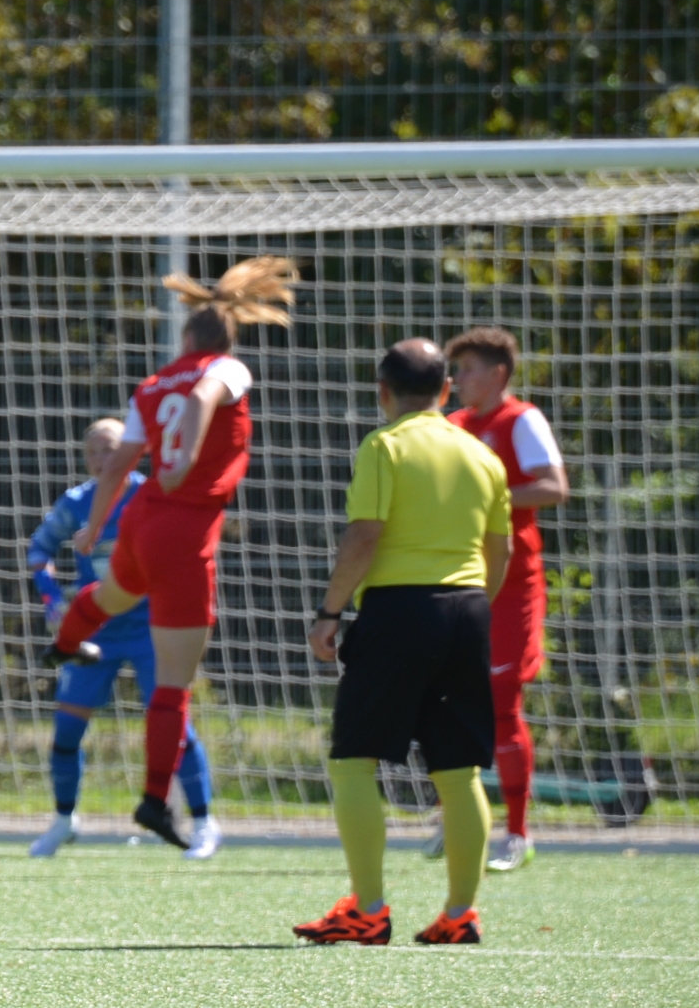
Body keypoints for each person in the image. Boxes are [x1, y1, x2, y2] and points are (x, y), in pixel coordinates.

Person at [49, 256, 299, 850]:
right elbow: (206, 394)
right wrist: (186, 450)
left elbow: (117, 465)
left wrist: (93, 531)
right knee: (173, 689)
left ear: (186, 335)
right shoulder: (227, 370)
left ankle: (63, 643)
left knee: (109, 597)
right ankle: (155, 801)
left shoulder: (151, 384)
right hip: (184, 532)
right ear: (225, 335)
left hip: (138, 522)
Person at [295, 338, 510, 947]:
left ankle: (368, 909)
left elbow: (365, 535)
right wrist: (472, 607)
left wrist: (329, 612)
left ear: (383, 393)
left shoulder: (384, 445)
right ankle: (459, 914)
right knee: (457, 768)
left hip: (398, 609)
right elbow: (503, 551)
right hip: (468, 610)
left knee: (354, 759)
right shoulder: (481, 454)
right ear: (445, 391)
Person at [26, 418, 220, 860]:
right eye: (93, 451)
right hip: (97, 631)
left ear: (131, 452)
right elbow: (39, 550)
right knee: (67, 729)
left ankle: (205, 823)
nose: (100, 460)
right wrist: (53, 598)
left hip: (153, 628)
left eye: (110, 450)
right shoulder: (75, 503)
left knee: (175, 727)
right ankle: (63, 821)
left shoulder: (150, 496)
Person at [443, 326, 568, 873]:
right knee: (447, 700)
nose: (457, 380)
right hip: (457, 578)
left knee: (500, 700)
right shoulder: (450, 426)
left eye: (467, 369)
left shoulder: (521, 420)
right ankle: (456, 819)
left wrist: (488, 496)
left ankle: (517, 832)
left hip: (512, 584)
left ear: (497, 374)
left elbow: (554, 486)